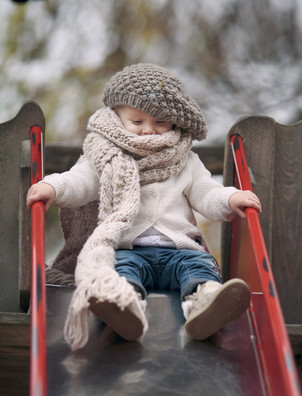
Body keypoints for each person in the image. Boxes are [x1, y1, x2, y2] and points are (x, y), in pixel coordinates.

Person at [27, 63, 262, 351]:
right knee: (122, 274)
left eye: (160, 122)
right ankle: (125, 309)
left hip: (180, 250)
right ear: (116, 118)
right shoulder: (104, 155)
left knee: (200, 269)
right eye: (137, 122)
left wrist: (229, 198)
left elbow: (205, 192)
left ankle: (206, 304)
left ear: (175, 122)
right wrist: (54, 187)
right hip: (130, 249)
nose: (149, 131)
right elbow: (80, 181)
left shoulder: (185, 159)